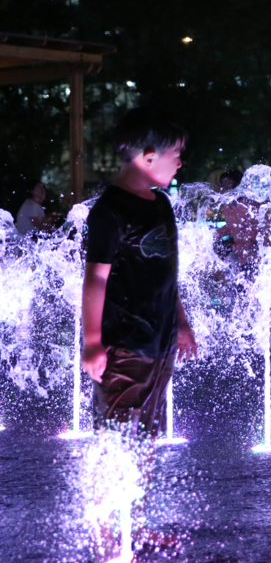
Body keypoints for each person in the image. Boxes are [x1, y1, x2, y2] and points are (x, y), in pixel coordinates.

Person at [81, 108, 198, 432]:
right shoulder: (111, 211)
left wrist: (182, 323)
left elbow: (165, 275)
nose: (179, 162)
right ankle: (110, 483)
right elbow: (95, 278)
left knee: (147, 430)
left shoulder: (160, 204)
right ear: (148, 158)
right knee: (118, 429)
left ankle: (137, 485)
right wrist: (92, 342)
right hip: (125, 345)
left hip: (159, 343)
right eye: (175, 154)